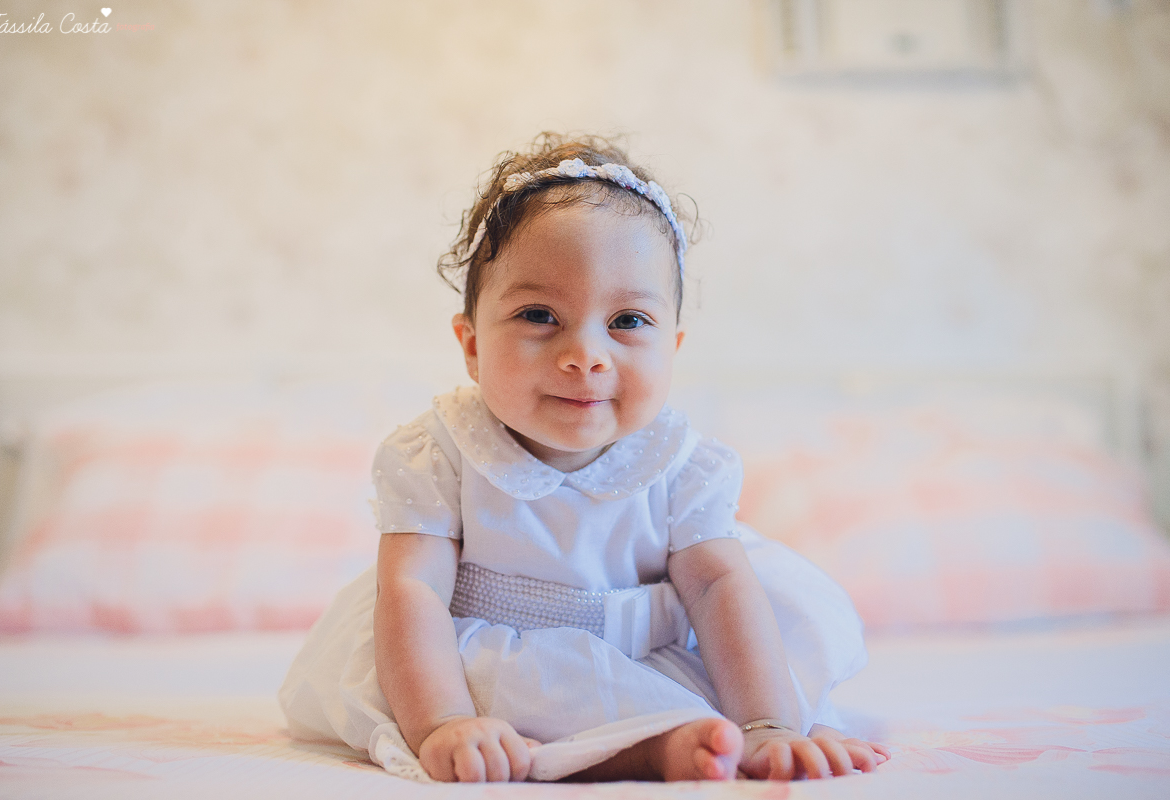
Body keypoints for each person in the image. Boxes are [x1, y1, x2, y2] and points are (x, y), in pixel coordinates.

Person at [279, 133, 891, 783]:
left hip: (645, 654)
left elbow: (718, 590)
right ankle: (648, 748)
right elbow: (412, 590)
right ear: (471, 345)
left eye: (628, 322)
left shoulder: (683, 467)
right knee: (507, 695)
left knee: (744, 667)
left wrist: (768, 724)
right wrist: (442, 723)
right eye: (539, 314)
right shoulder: (439, 453)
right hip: (470, 663)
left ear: (673, 346)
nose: (586, 355)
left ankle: (699, 737)